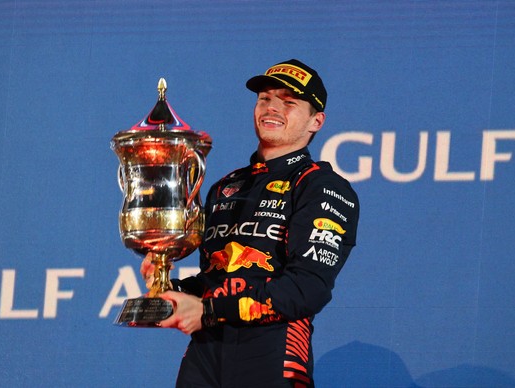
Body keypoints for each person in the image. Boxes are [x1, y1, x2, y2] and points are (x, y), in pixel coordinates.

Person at [141, 59, 360, 387]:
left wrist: (208, 311)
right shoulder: (224, 187)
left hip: (273, 348)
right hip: (206, 352)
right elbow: (217, 279)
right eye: (265, 99)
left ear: (316, 121)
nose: (272, 108)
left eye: (288, 102)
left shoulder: (321, 186)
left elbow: (305, 290)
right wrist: (170, 289)